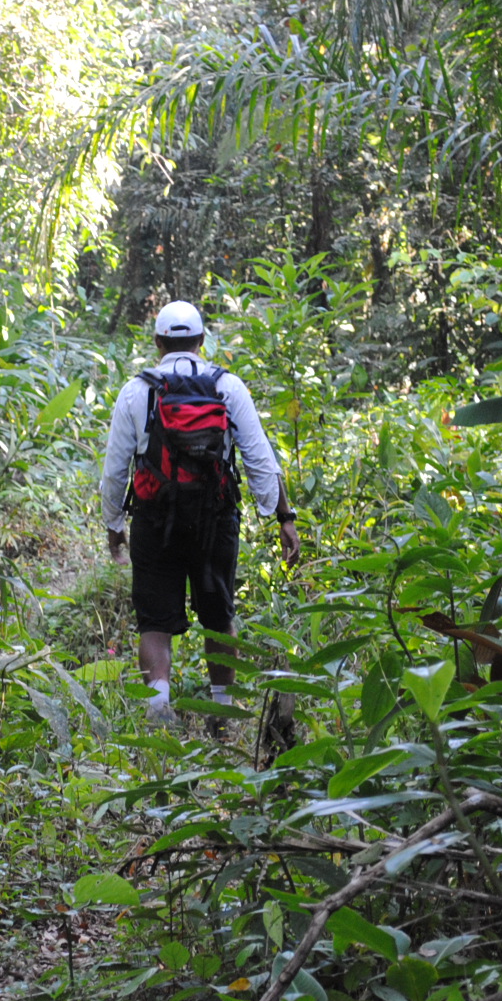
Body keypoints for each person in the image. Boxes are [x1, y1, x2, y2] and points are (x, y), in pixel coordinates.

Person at [99, 300, 301, 726]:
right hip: (215, 518)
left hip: (154, 520)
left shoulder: (136, 391)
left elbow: (115, 469)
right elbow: (260, 460)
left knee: (154, 623)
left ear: (157, 342)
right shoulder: (228, 386)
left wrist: (114, 525)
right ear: (201, 341)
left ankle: (158, 708)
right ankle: (222, 713)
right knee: (218, 616)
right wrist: (283, 517)